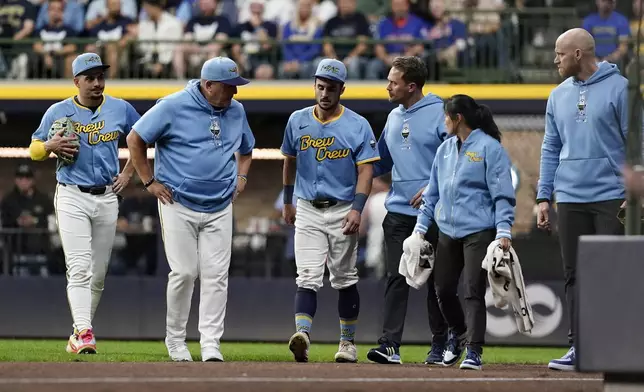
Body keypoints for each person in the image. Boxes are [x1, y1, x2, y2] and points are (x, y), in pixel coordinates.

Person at [126, 56, 255, 362]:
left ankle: (211, 343)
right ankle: (175, 339)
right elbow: (135, 138)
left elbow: (247, 150)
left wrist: (242, 176)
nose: (235, 93)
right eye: (229, 87)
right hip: (177, 201)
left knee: (216, 275)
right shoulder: (172, 105)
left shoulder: (236, 110)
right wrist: (148, 182)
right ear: (208, 85)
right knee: (184, 272)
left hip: (221, 204)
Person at [28, 52, 140, 354]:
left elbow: (143, 139)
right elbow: (34, 150)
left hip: (106, 196)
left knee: (98, 273)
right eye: (90, 78)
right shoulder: (58, 111)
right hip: (71, 194)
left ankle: (78, 333)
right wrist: (49, 146)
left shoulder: (120, 108)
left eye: (101, 77)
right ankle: (85, 331)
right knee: (79, 268)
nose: (97, 83)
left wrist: (129, 171)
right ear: (76, 81)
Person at [537, 28, 627, 372]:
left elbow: (639, 140)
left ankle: (618, 346)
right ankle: (579, 348)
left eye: (560, 53)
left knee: (613, 273)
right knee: (574, 274)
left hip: (612, 197)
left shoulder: (620, 88)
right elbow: (550, 147)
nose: (555, 60)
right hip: (570, 197)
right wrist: (544, 195)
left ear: (578, 54)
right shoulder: (557, 95)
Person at [280, 58, 379, 363]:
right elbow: (289, 161)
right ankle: (303, 336)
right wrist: (287, 200)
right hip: (308, 207)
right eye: (320, 86)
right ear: (314, 85)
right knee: (307, 275)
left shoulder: (358, 125)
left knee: (344, 276)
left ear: (341, 90)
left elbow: (366, 172)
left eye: (331, 88)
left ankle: (347, 344)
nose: (324, 93)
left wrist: (358, 209)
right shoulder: (297, 120)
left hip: (342, 208)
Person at [413, 94, 515, 371]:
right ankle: (459, 335)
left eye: (446, 116)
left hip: (479, 231)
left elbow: (502, 193)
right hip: (447, 230)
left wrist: (503, 229)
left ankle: (474, 351)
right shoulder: (444, 150)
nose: (443, 121)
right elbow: (432, 193)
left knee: (472, 290)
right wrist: (419, 230)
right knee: (442, 289)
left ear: (458, 119)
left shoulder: (489, 148)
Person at [365, 55, 450, 366]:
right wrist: (352, 170)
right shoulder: (393, 118)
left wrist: (431, 186)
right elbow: (381, 163)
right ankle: (390, 346)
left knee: (436, 283)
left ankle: (439, 344)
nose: (387, 86)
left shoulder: (440, 112)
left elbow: (456, 157)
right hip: (399, 212)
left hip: (436, 214)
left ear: (411, 86)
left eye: (393, 81)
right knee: (395, 278)